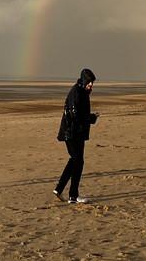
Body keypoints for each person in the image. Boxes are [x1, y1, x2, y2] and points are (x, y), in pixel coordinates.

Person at [53, 68, 97, 204]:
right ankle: (72, 195)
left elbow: (78, 114)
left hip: (75, 133)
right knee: (77, 161)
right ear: (84, 81)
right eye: (89, 82)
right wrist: (90, 118)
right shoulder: (77, 92)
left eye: (92, 83)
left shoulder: (82, 92)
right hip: (71, 133)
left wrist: (90, 117)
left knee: (75, 160)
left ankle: (62, 190)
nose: (91, 85)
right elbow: (75, 114)